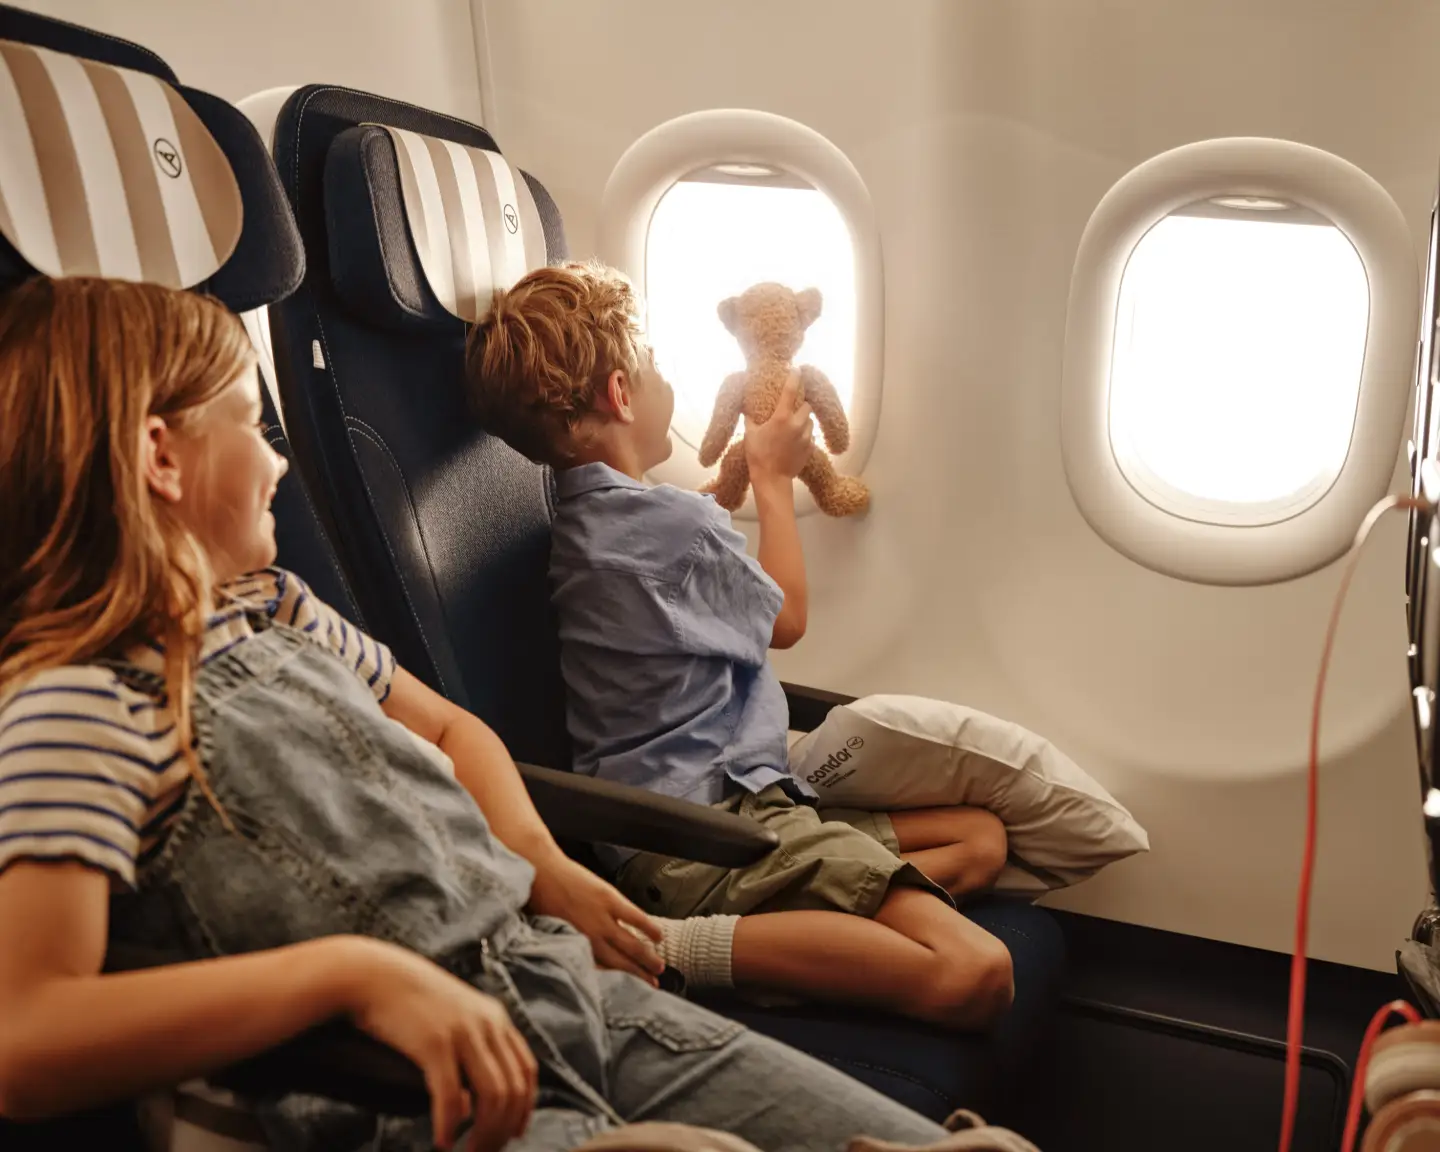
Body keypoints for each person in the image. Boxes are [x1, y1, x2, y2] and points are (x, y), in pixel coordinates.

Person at [0, 276, 975, 1152]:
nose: (278, 466)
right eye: (254, 428)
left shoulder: (277, 607)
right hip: (412, 1087)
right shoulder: (75, 709)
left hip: (556, 987)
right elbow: (26, 1037)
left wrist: (544, 866)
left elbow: (454, 731)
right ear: (161, 458)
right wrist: (352, 977)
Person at [465, 263, 1013, 1028]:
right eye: (654, 366)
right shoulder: (672, 526)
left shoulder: (592, 525)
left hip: (694, 819)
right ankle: (673, 947)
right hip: (704, 834)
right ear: (621, 394)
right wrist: (769, 475)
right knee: (977, 972)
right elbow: (786, 617)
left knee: (980, 840)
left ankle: (798, 937)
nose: (666, 380)